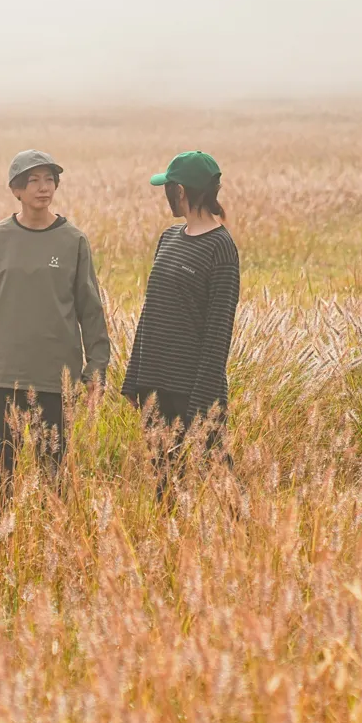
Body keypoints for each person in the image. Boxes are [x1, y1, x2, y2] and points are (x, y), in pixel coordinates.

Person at [0, 149, 111, 509]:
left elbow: (91, 311)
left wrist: (96, 368)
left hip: (56, 377)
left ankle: (52, 544)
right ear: (16, 190)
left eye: (49, 179)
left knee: (54, 477)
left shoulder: (73, 241)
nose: (43, 188)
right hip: (1, 376)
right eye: (33, 181)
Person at [122, 150, 240, 501]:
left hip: (193, 389)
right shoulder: (169, 239)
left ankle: (247, 542)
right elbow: (151, 313)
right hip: (154, 384)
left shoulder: (221, 248)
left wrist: (204, 401)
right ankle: (171, 549)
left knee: (220, 475)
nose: (165, 194)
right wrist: (134, 378)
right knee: (163, 483)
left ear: (182, 192)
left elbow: (219, 332)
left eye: (168, 187)